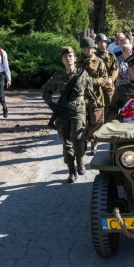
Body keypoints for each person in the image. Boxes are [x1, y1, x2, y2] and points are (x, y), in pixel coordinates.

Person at [41, 46, 95, 183]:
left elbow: (91, 94)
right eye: (65, 57)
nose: (68, 58)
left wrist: (91, 109)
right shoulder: (58, 76)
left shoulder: (83, 74)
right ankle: (71, 171)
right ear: (62, 60)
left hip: (78, 112)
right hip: (62, 113)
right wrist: (51, 104)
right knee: (66, 143)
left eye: (70, 56)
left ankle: (80, 161)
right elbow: (45, 91)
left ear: (75, 58)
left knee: (78, 139)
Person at [76, 37, 108, 155]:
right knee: (82, 122)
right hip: (81, 98)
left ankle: (94, 144)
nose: (92, 50)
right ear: (83, 49)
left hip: (96, 97)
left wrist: (90, 81)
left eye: (93, 48)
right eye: (90, 48)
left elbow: (104, 78)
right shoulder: (77, 62)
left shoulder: (99, 62)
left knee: (96, 122)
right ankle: (83, 142)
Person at [95, 33, 119, 120]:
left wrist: (111, 79)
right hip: (97, 87)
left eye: (104, 42)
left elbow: (115, 69)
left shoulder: (111, 56)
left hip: (108, 87)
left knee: (110, 109)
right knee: (97, 111)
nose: (102, 44)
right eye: (100, 42)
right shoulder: (93, 57)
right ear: (97, 43)